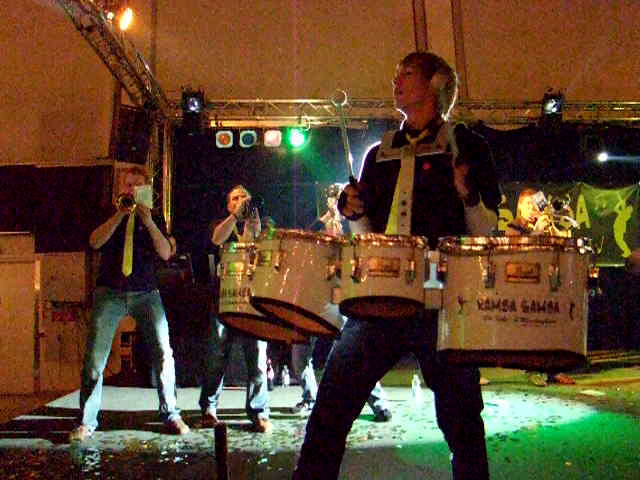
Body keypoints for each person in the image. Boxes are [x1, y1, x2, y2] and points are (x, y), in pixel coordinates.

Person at [292, 51, 501, 480]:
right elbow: (366, 235)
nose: (395, 82)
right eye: (396, 75)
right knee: (330, 409)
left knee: (462, 421)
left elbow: (487, 229)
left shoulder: (467, 146)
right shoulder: (379, 153)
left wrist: (467, 195)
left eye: (406, 74)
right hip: (380, 294)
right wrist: (353, 213)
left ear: (436, 83)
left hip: (442, 297)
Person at [69, 165, 189, 442]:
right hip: (110, 292)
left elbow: (166, 253)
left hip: (146, 292)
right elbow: (94, 242)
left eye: (137, 185)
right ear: (120, 188)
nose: (132, 189)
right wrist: (119, 215)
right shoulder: (108, 211)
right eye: (128, 184)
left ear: (146, 188)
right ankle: (87, 421)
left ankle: (171, 413)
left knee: (163, 353)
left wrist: (148, 221)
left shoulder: (154, 216)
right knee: (94, 359)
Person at [290, 184, 392, 422]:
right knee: (299, 353)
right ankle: (310, 398)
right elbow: (306, 241)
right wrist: (327, 219)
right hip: (315, 296)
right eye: (330, 197)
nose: (333, 201)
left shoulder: (354, 223)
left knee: (354, 352)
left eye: (337, 196)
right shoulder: (319, 224)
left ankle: (379, 403)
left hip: (342, 294)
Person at [199, 185, 273, 433]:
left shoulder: (263, 222)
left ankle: (259, 411)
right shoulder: (221, 224)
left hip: (253, 298)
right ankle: (209, 408)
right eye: (235, 198)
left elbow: (263, 248)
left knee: (257, 357)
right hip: (225, 298)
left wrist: (253, 223)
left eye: (244, 197)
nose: (241, 201)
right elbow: (216, 240)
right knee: (216, 356)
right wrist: (234, 217)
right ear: (228, 204)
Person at [505, 188, 576, 386]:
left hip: (547, 282)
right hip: (525, 284)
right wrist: (536, 231)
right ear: (520, 207)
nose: (532, 208)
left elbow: (563, 242)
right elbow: (518, 253)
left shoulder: (543, 223)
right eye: (528, 204)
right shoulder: (513, 227)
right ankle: (532, 370)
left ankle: (553, 369)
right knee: (531, 328)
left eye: (535, 204)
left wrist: (552, 226)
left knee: (551, 326)